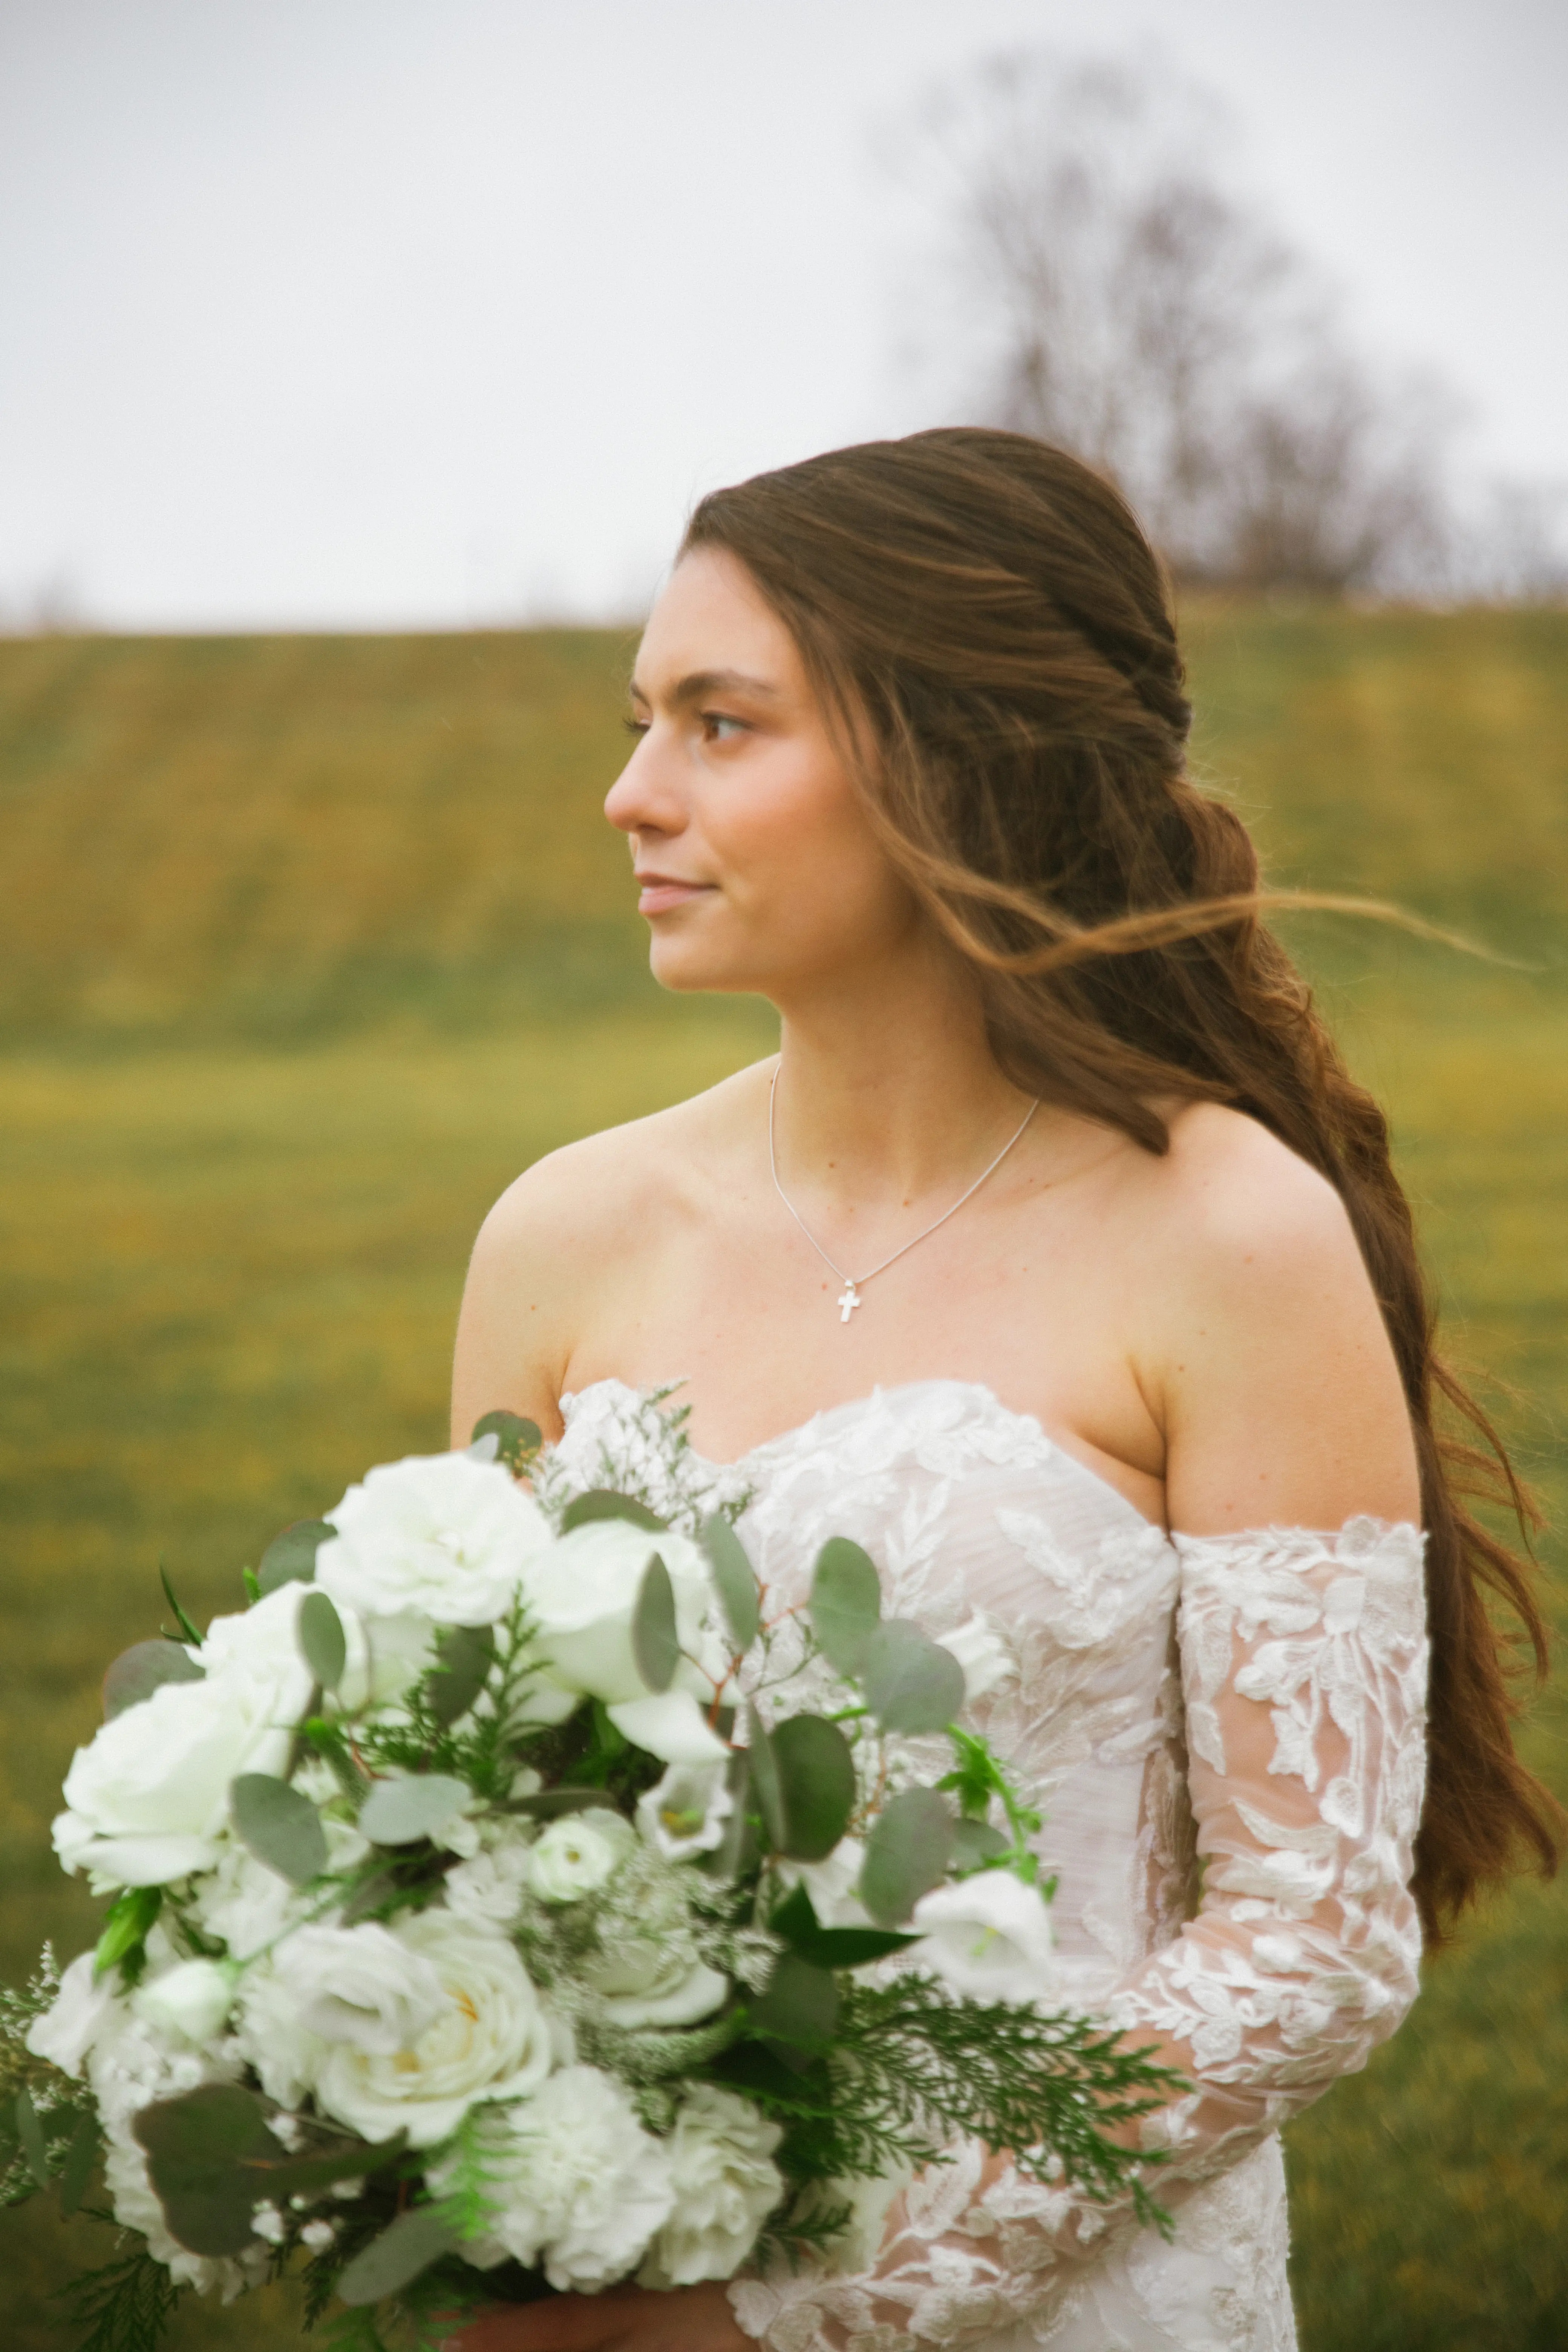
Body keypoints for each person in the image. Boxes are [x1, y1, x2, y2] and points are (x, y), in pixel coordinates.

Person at [447, 430, 1557, 2352]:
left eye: (721, 724)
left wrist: (785, 2314)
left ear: (951, 757)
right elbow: (464, 1818)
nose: (631, 793)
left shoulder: (1228, 1237)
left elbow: (1309, 1941)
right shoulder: (562, 1235)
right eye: (642, 722)